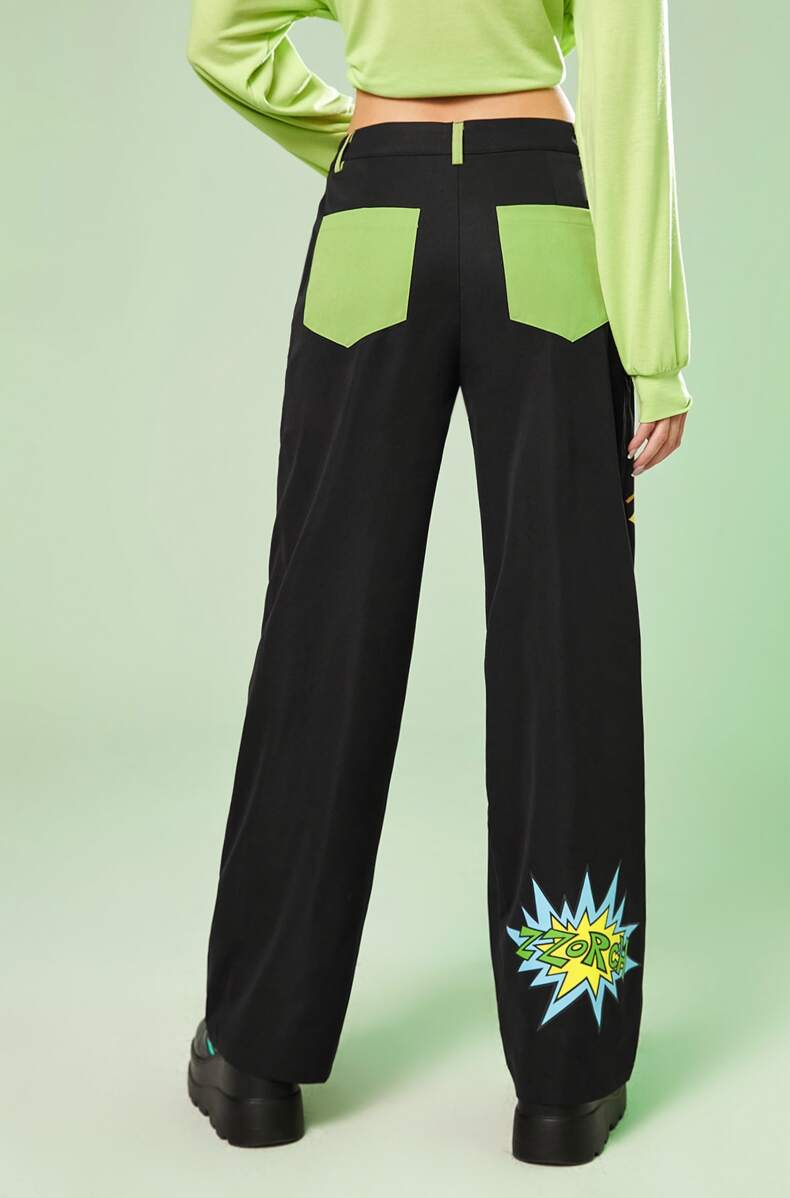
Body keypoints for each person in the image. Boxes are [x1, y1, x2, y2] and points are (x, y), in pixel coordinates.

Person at [183, 0, 692, 1166]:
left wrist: (360, 139)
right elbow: (625, 98)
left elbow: (220, 40)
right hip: (541, 214)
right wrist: (657, 355)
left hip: (377, 207)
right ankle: (567, 1078)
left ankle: (255, 1053)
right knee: (565, 646)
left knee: (322, 634)